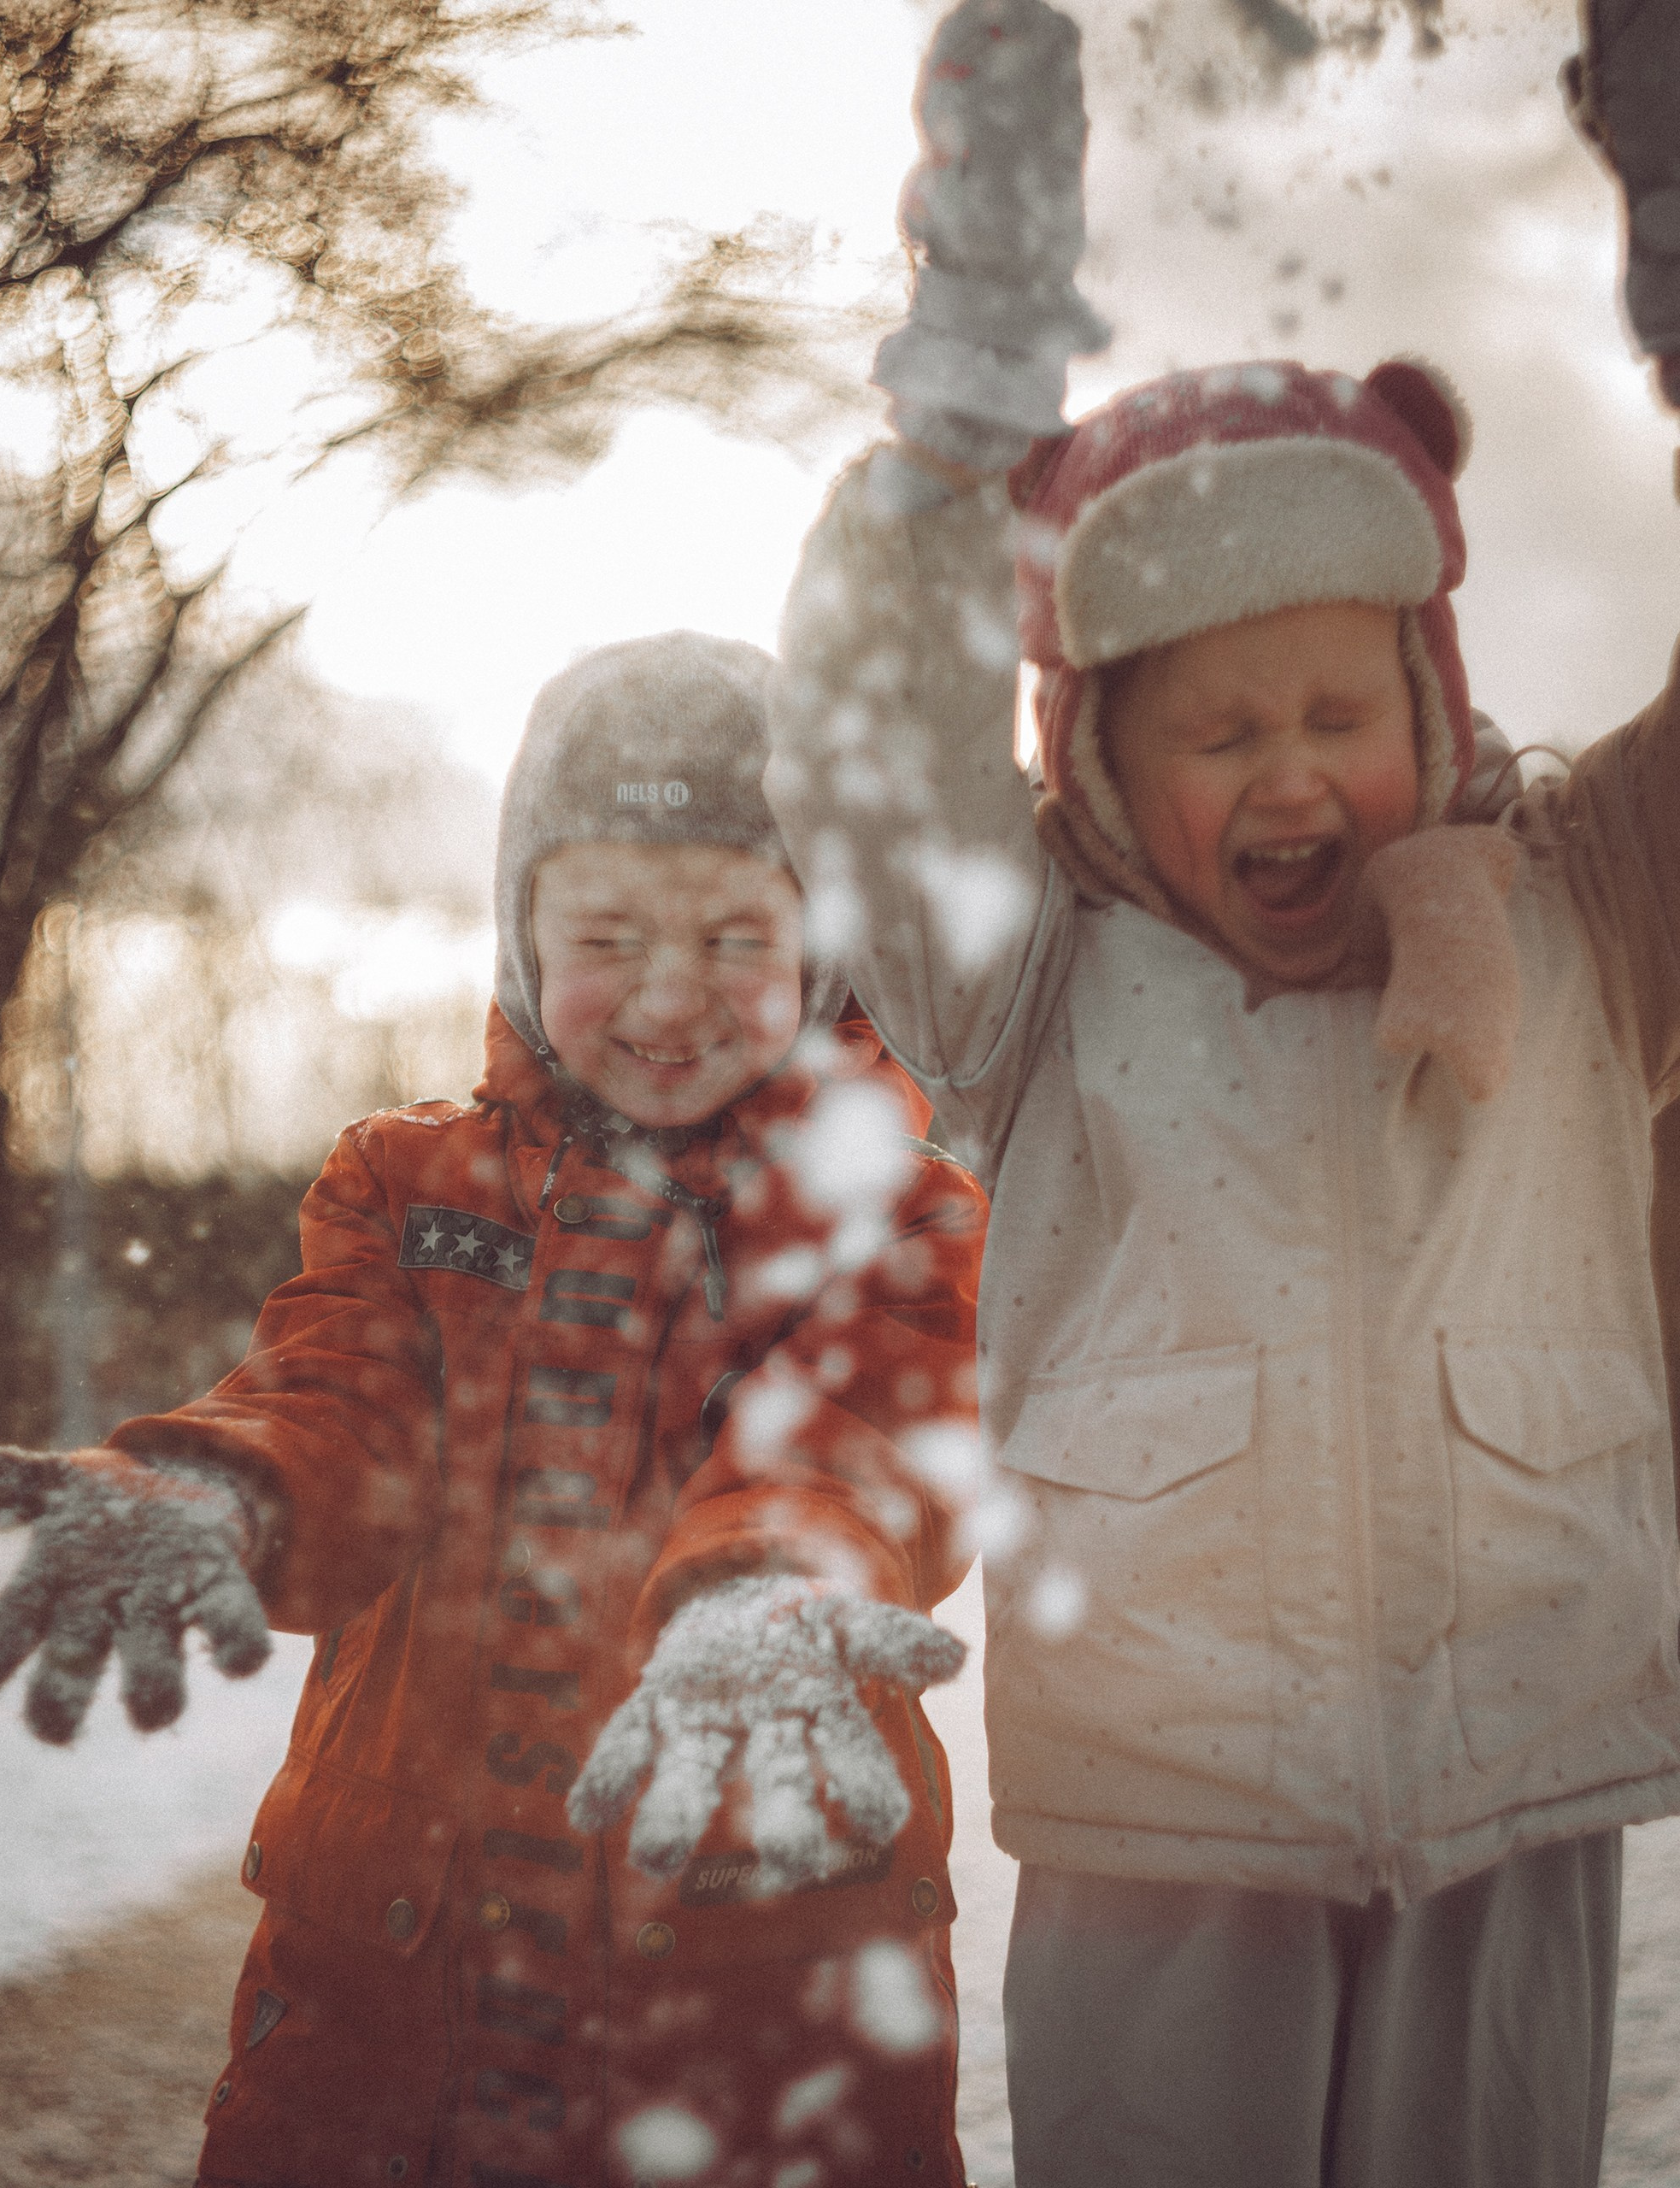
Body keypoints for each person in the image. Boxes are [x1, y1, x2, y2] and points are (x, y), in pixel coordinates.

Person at [763, 3, 1680, 2183]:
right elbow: (877, 760)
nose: (1290, 777)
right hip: (1163, 1810)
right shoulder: (1037, 973)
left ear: (1426, 697)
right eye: (1218, 732)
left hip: (1512, 1778)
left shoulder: (1587, 908)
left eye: (1336, 713)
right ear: (1098, 759)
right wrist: (963, 398)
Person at [0, 631, 987, 2188]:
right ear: (521, 937)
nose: (670, 992)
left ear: (824, 947)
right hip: (390, 1998)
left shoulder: (894, 1217)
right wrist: (220, 1487)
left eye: (735, 936)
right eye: (609, 934)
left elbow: (860, 1445)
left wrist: (771, 1592)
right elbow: (334, 1403)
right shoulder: (407, 1186)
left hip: (767, 1995)